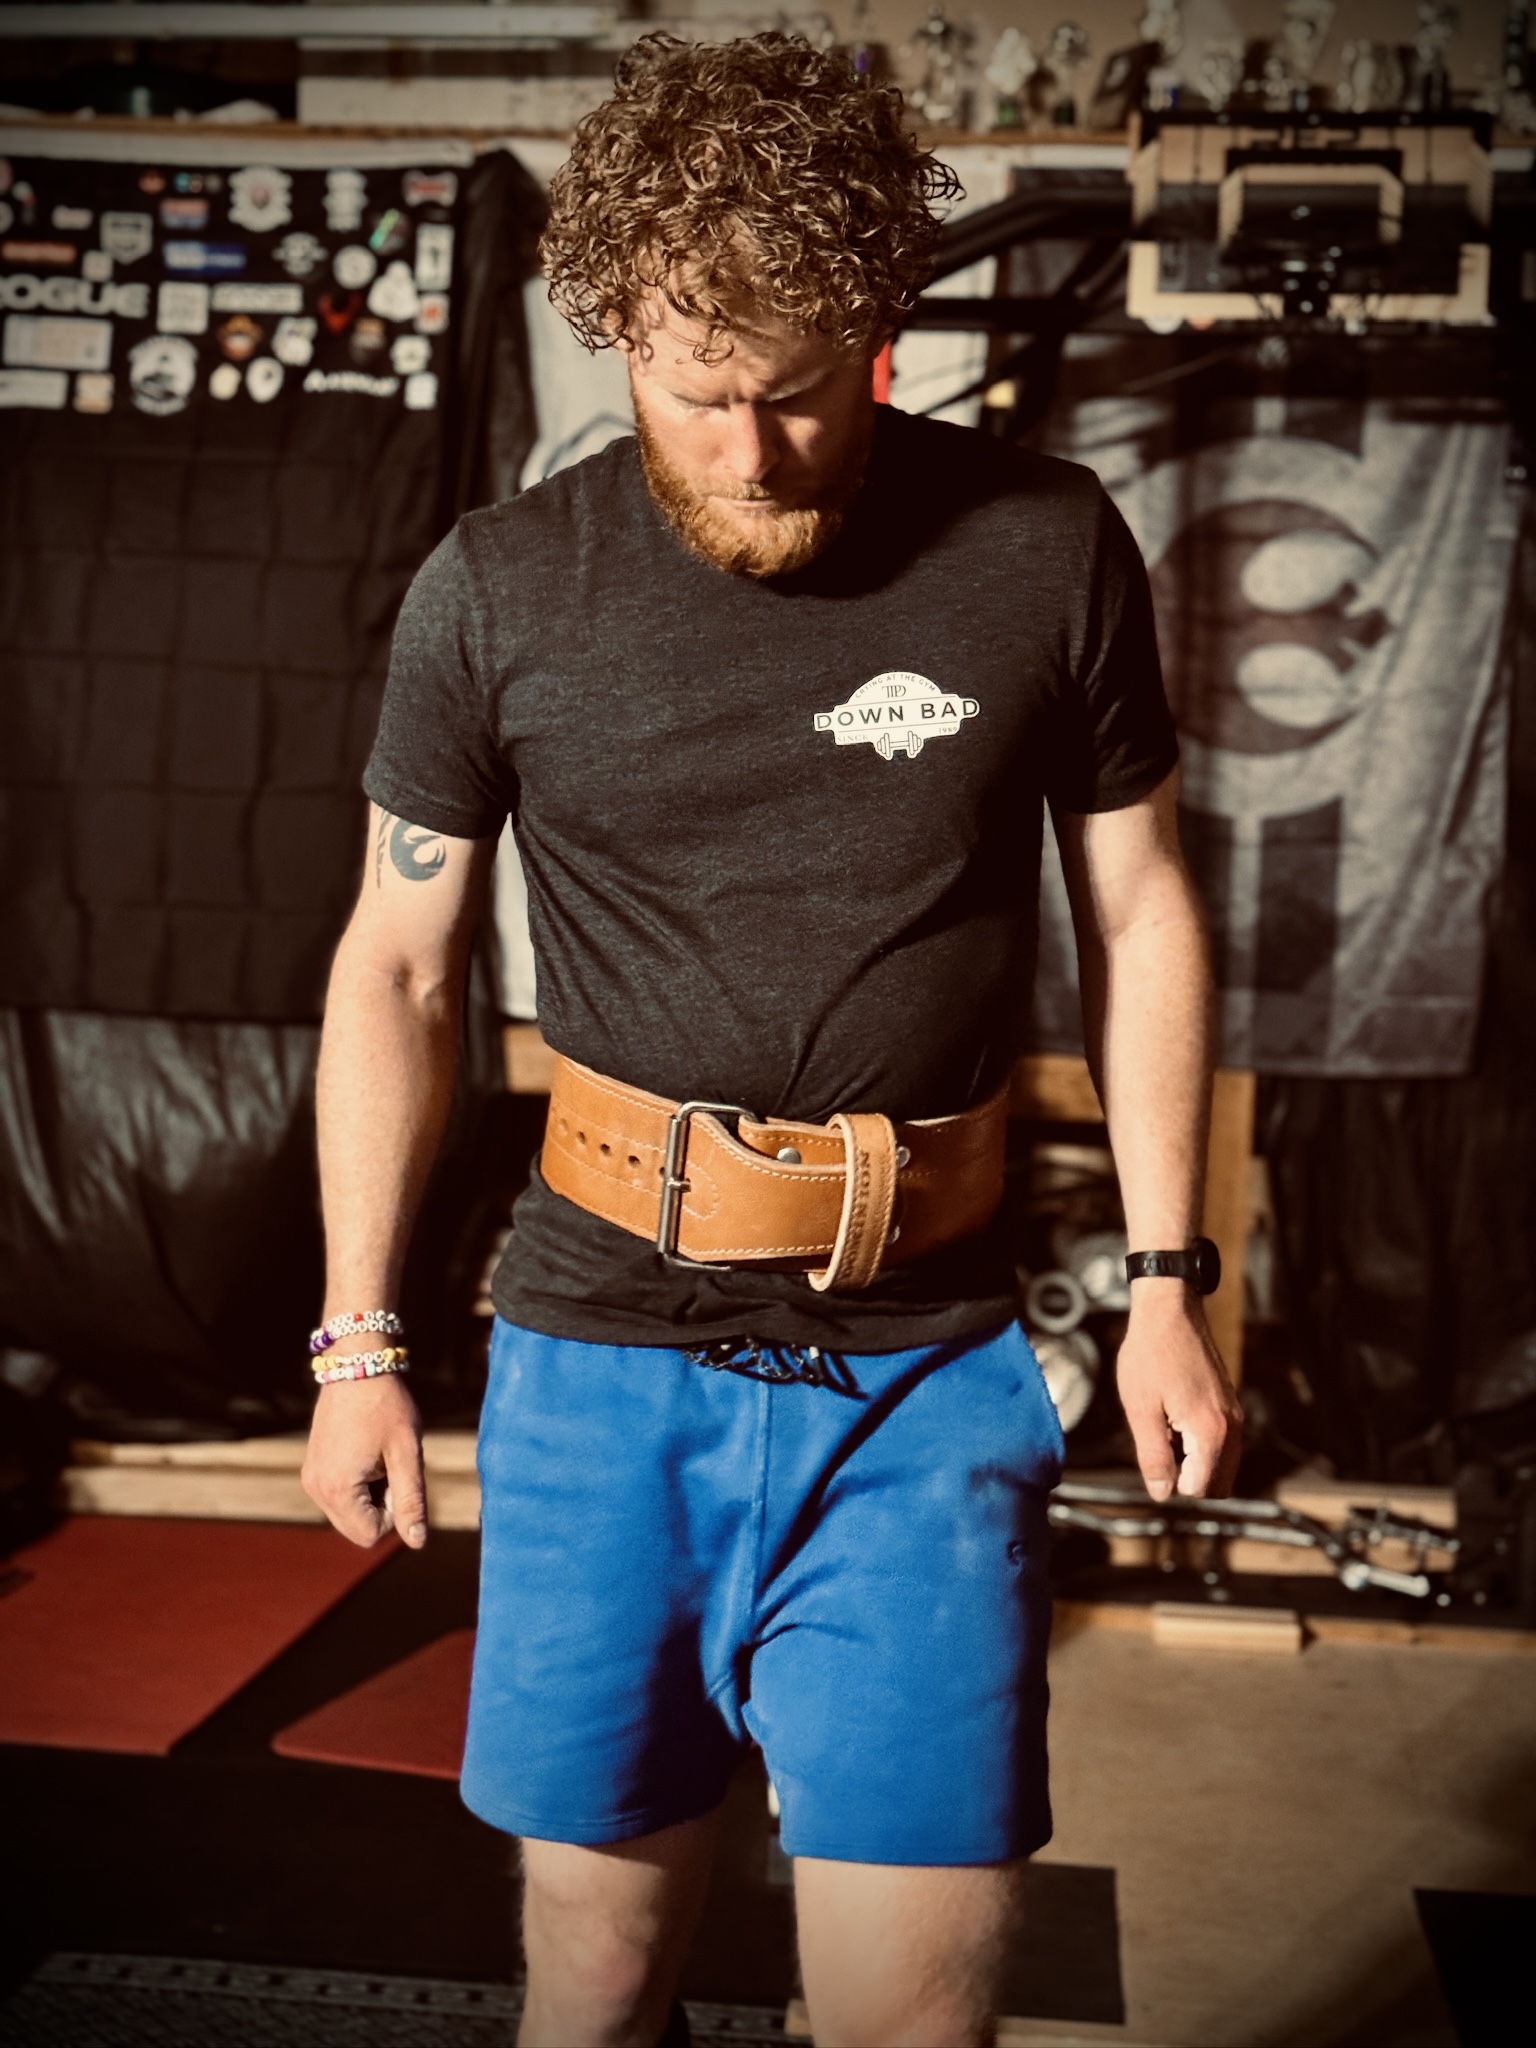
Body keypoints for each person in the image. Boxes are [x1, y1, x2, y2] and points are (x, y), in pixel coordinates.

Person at [301, 31, 1242, 2048]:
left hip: (925, 1375)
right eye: (692, 390)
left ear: (883, 325)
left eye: (801, 392)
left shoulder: (1045, 544)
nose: (748, 454)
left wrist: (1172, 1276)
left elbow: (1144, 906)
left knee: (920, 2005)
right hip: (594, 1367)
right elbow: (396, 967)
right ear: (618, 336)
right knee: (597, 1969)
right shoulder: (498, 591)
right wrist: (357, 1342)